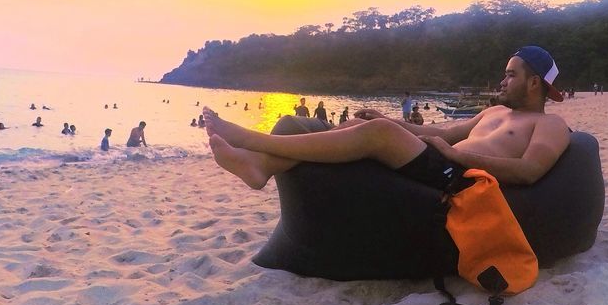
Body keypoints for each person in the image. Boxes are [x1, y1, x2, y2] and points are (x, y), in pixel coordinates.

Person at [203, 46, 570, 191]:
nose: (503, 80)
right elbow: (445, 131)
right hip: (442, 160)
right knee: (356, 126)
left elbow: (529, 171)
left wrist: (459, 157)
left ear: (534, 82)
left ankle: (255, 142)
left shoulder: (550, 125)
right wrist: (389, 120)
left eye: (511, 74)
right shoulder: (494, 111)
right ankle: (261, 164)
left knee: (376, 133)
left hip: (462, 178)